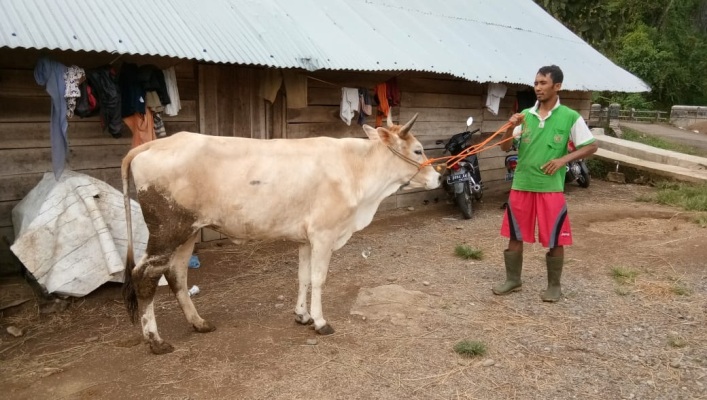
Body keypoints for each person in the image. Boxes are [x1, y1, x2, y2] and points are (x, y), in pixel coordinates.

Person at [493, 65, 598, 302]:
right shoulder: (525, 116)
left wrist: (563, 160)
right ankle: (513, 280)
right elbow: (504, 147)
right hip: (521, 185)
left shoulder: (570, 116)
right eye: (536, 83)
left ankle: (554, 286)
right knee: (515, 235)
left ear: (557, 86)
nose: (538, 87)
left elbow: (591, 146)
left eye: (543, 83)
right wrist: (509, 127)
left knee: (555, 237)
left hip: (550, 189)